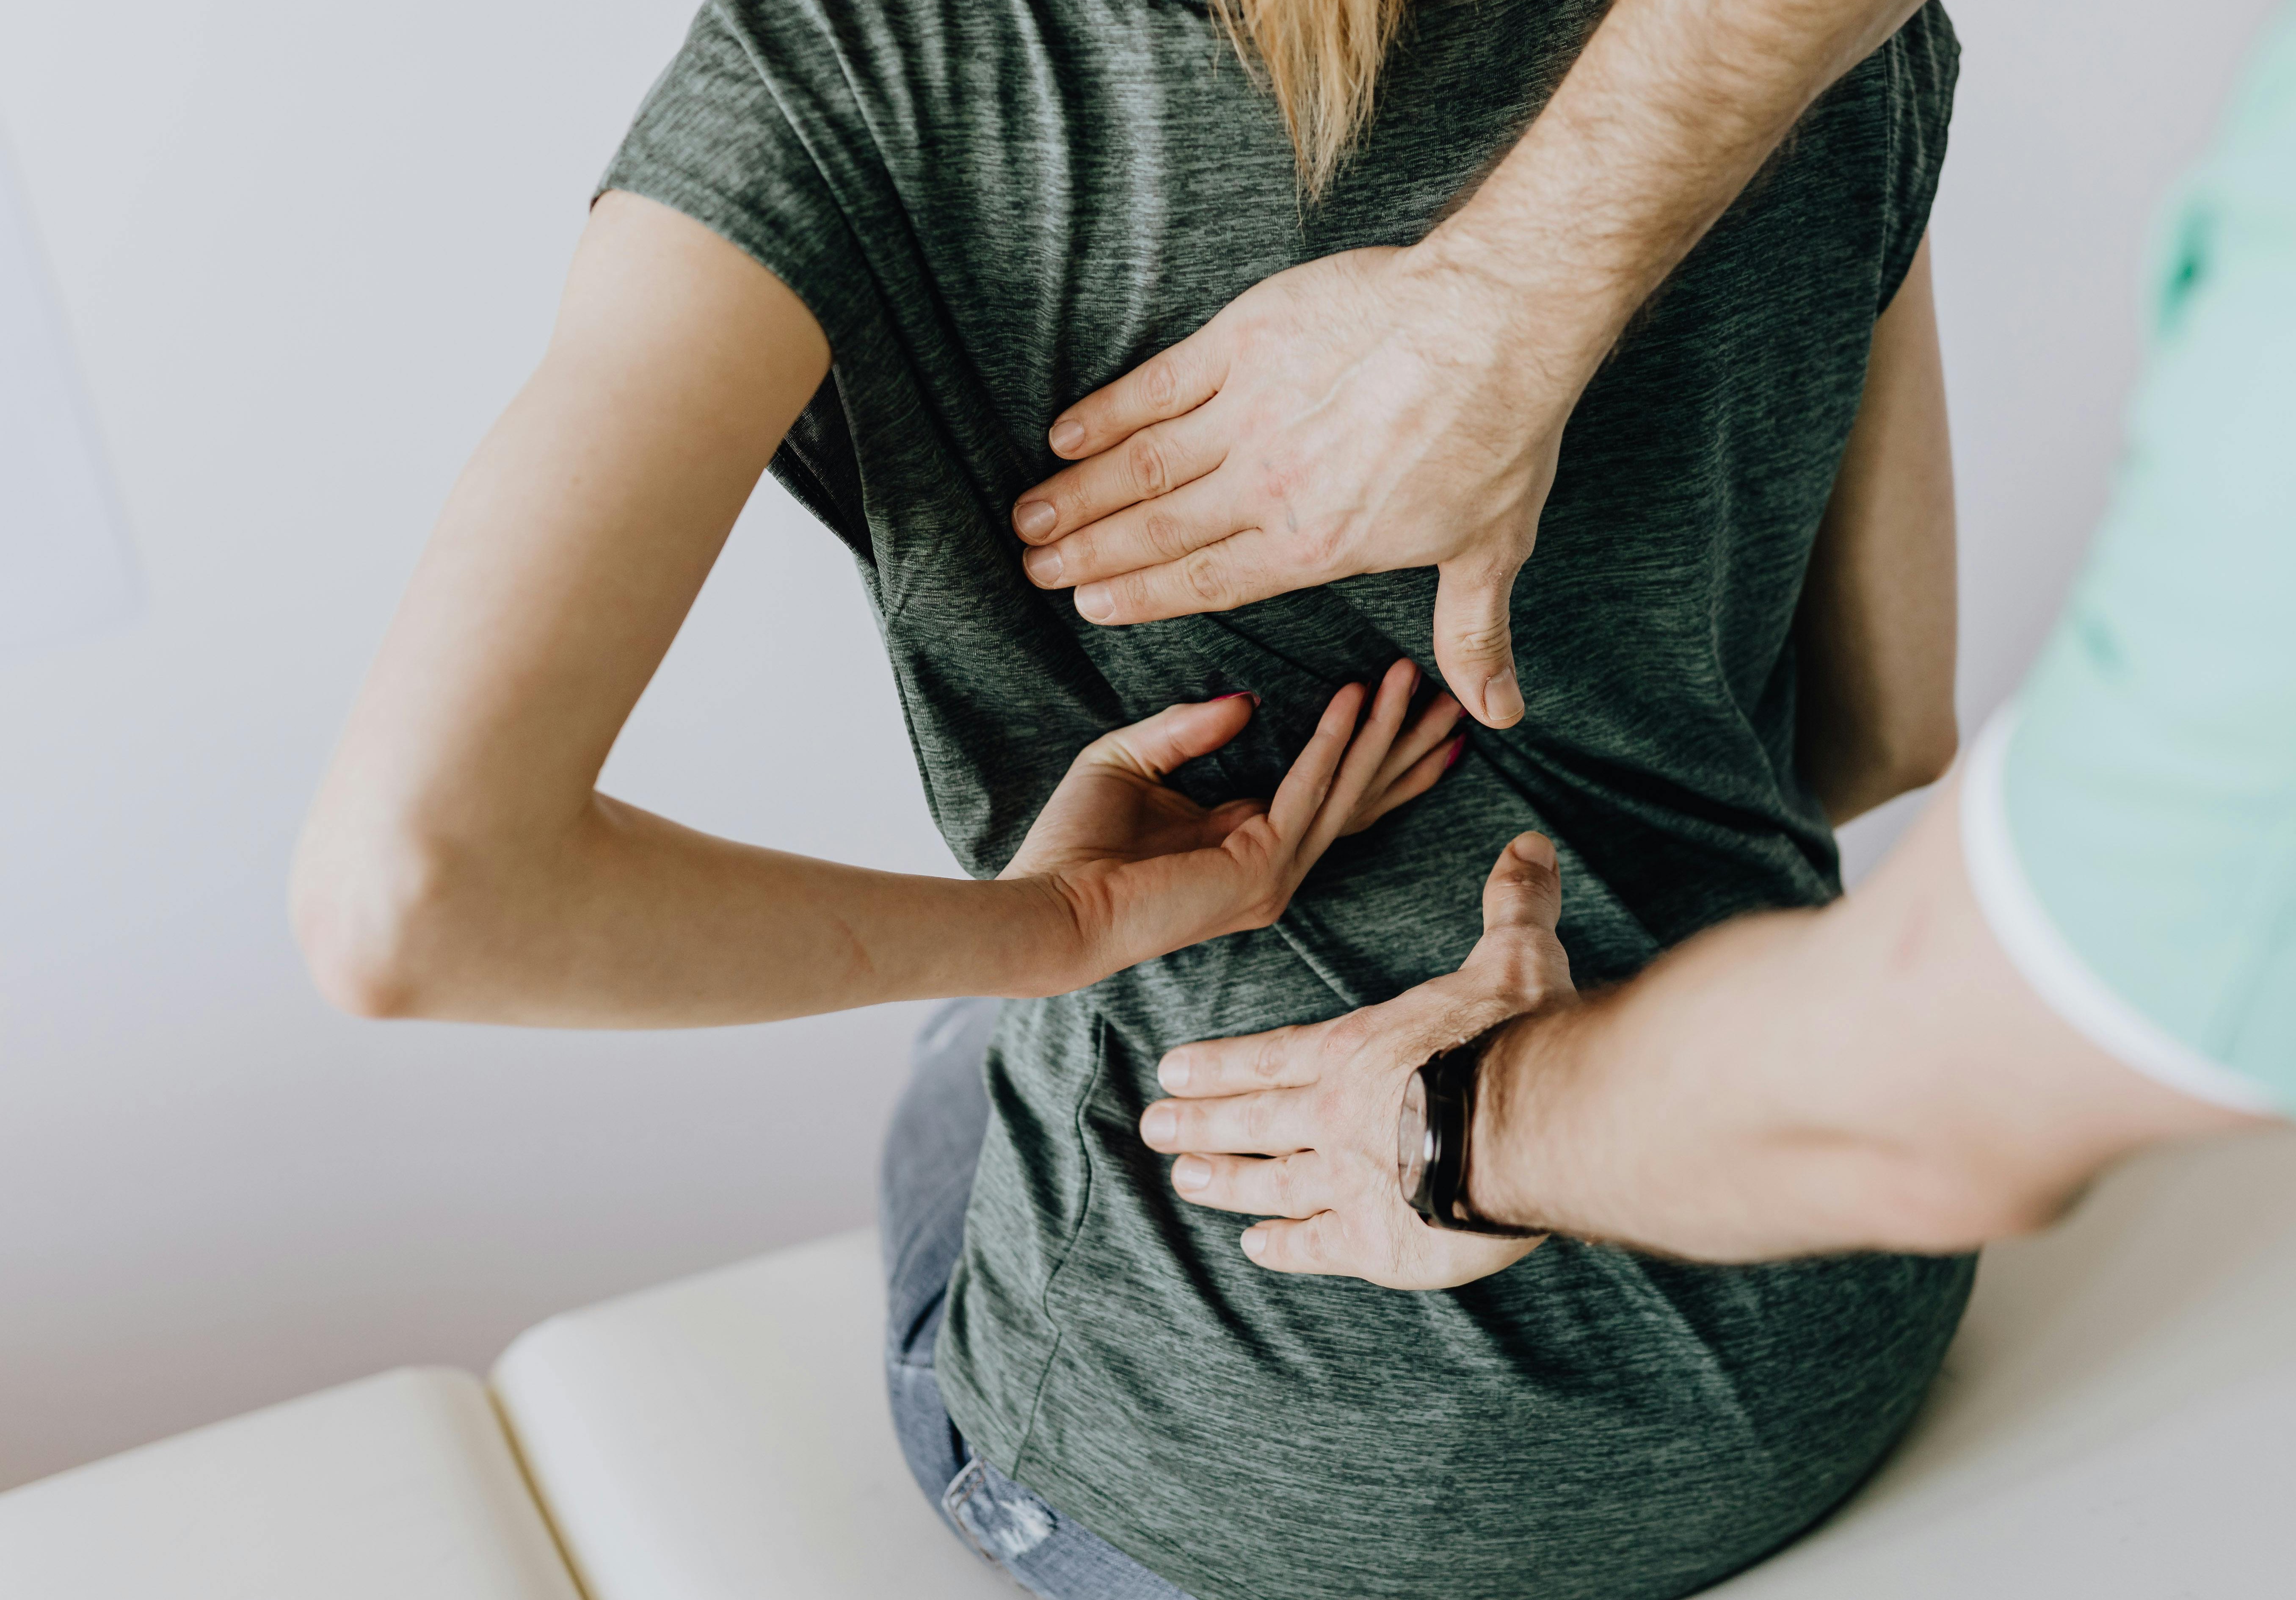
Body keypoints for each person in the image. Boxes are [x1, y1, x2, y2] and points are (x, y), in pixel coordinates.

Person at [1126, 0, 2296, 1594]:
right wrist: (1518, 292)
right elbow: (1884, 732)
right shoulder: (1848, 72)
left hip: (1270, 1452)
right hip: (1834, 1343)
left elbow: (1962, 1077)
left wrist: (1449, 1120)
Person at [290, 0, 1976, 1596]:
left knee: (963, 1045)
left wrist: (1056, 926)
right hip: (1819, 1303)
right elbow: (1884, 732)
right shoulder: (1770, 44)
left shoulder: (847, 67)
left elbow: (419, 897)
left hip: (1280, 1483)